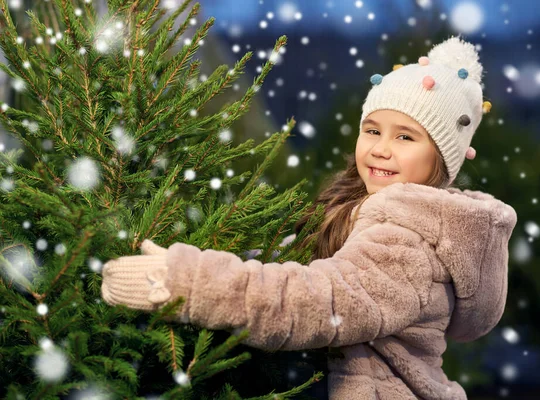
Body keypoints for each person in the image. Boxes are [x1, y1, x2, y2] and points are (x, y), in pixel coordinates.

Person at [101, 36, 518, 399]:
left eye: (405, 137)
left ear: (442, 161)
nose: (380, 148)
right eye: (372, 130)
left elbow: (319, 300)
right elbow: (305, 262)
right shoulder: (365, 211)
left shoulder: (410, 244)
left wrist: (185, 281)